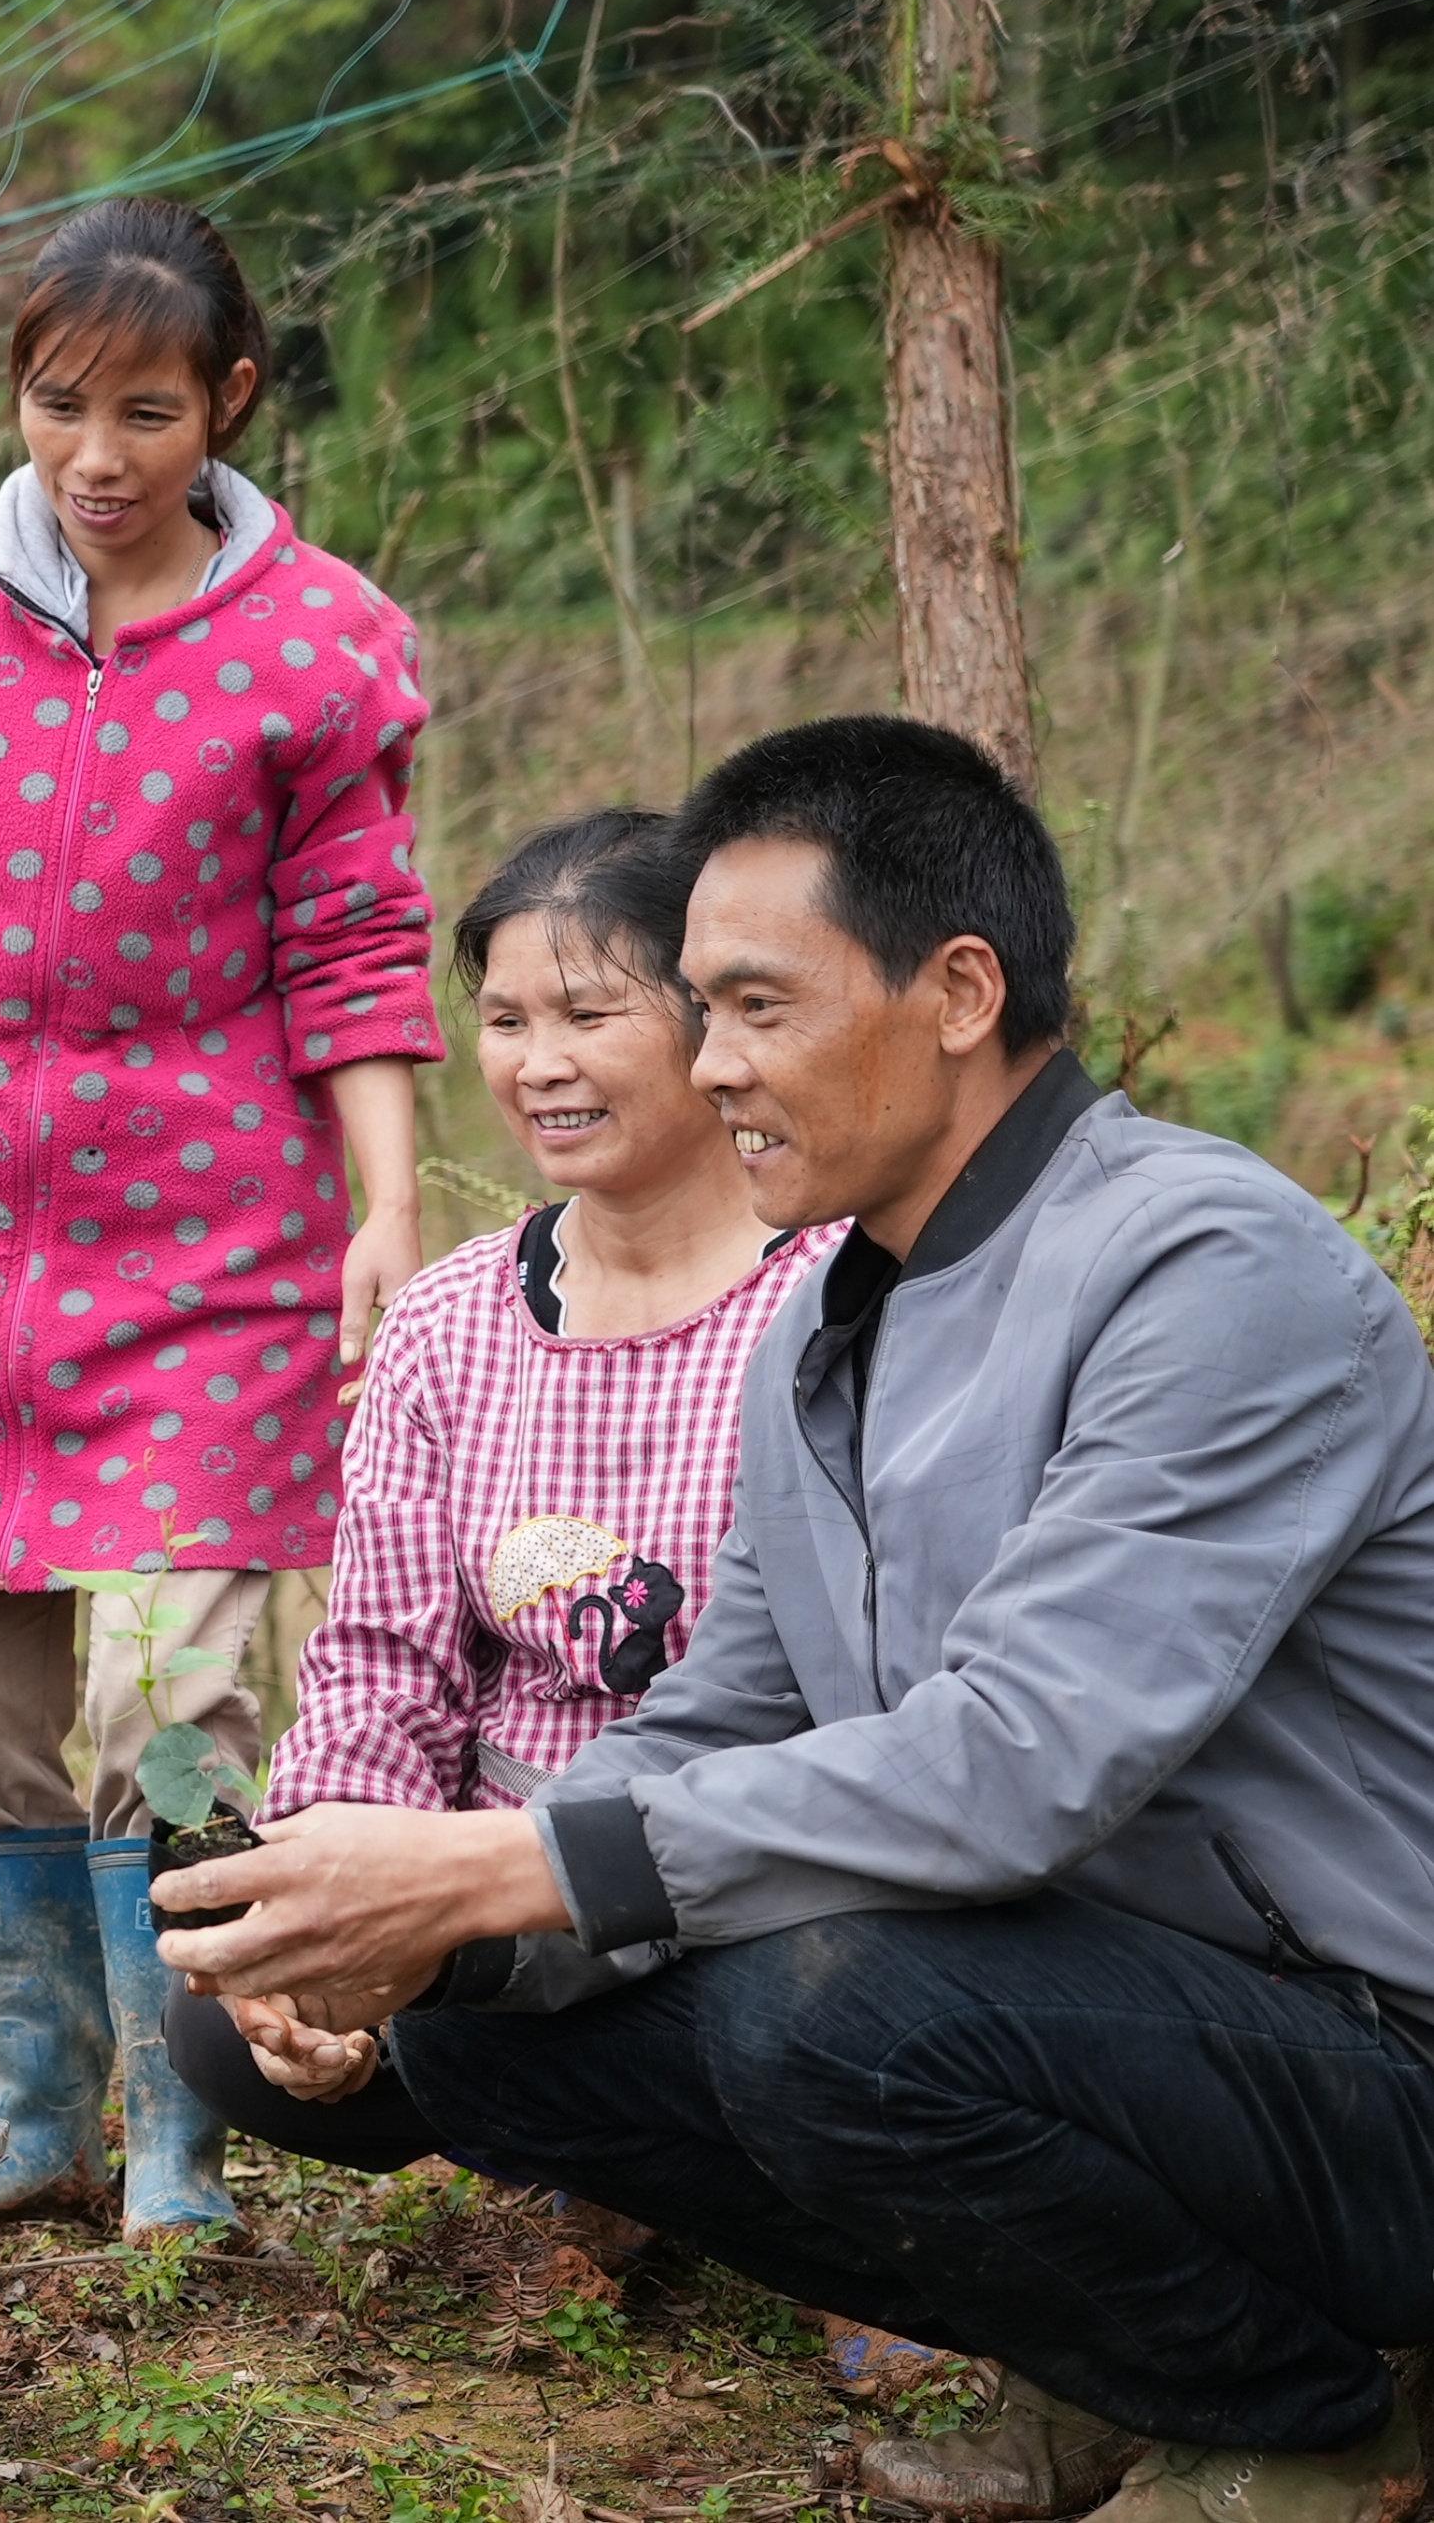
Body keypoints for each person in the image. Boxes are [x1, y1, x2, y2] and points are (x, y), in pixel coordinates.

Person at [160, 718, 1434, 2523]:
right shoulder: (834, 1321)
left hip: (1371, 2059)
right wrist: (436, 1930)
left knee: (825, 2004)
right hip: (1104, 2016)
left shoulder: (1199, 1267)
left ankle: (1312, 2417)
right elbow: (717, 1720)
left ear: (957, 990)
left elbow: (1017, 1762)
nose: (712, 1061)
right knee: (483, 2032)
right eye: (699, 1007)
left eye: (754, 1006)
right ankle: (1119, 2360)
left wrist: (504, 1872)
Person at [0, 195, 439, 2235]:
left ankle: (178, 2119)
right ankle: (29, 2111)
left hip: (214, 1255)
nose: (97, 457)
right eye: (59, 407)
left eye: (147, 410)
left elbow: (356, 939)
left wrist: (385, 1203)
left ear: (226, 399)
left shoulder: (319, 643)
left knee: (179, 1698)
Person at [155, 810, 836, 2169]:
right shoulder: (448, 1320)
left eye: (587, 1014)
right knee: (230, 2031)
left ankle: (707, 2162)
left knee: (805, 1998)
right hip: (481, 1905)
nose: (539, 1066)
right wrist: (332, 1902)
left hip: (746, 1867)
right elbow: (381, 1668)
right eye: (506, 1019)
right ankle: (622, 2140)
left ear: (707, 1024)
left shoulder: (830, 1298)